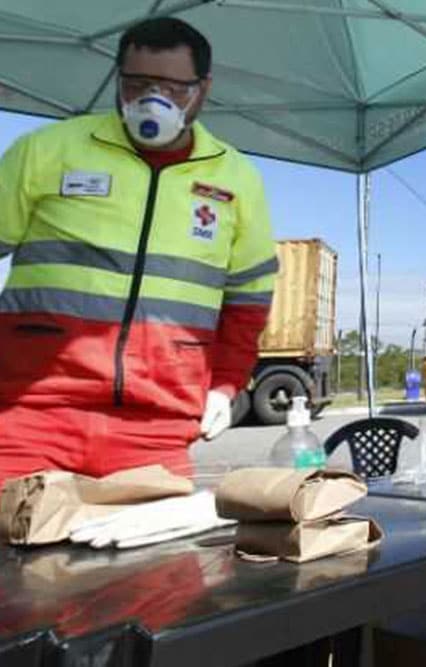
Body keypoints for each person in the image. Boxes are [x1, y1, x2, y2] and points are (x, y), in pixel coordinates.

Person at [0, 17, 277, 482]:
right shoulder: (46, 151)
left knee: (155, 557)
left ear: (203, 89)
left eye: (173, 87)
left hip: (156, 428)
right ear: (118, 80)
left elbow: (249, 296)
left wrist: (226, 384)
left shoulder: (236, 178)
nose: (153, 99)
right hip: (32, 412)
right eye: (138, 84)